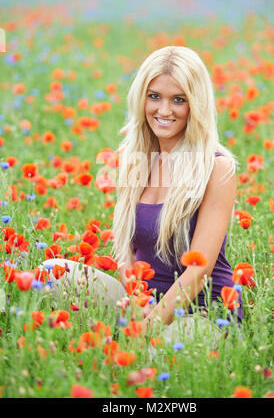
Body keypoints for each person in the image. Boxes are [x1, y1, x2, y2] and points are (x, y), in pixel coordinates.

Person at [41, 45, 242, 348]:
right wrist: (137, 304)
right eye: (154, 96)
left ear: (196, 104)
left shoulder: (216, 169)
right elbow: (125, 251)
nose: (164, 110)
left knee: (158, 353)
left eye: (178, 100)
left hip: (203, 311)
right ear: (141, 100)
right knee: (50, 275)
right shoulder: (134, 160)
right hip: (142, 303)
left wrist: (149, 326)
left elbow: (200, 270)